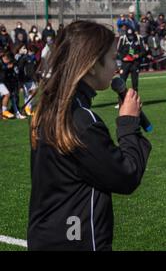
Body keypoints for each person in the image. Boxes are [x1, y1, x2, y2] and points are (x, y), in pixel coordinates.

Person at [28, 20, 151, 251]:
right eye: (113, 58)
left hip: (47, 236)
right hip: (77, 239)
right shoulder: (82, 121)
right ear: (93, 65)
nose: (117, 66)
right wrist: (128, 124)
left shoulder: (50, 108)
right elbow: (126, 175)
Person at [117, 28, 145, 92]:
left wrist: (138, 55)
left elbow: (143, 50)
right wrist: (123, 58)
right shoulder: (122, 39)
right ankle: (121, 100)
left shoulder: (139, 38)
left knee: (135, 83)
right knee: (122, 82)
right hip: (125, 63)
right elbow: (118, 51)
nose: (131, 37)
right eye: (129, 35)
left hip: (135, 63)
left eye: (132, 35)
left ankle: (135, 100)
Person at [0, 51, 15, 119]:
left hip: (2, 82)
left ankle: (3, 113)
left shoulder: (3, 63)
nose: (8, 62)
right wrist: (7, 67)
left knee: (5, 95)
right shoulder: (1, 63)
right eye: (8, 60)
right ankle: (4, 111)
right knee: (7, 94)